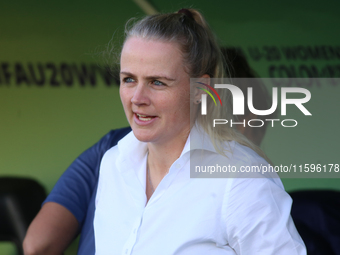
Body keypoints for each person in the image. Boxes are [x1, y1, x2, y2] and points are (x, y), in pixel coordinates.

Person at [24, 9, 305, 255]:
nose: (137, 97)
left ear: (200, 90)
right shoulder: (113, 162)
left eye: (157, 82)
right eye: (129, 79)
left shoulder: (240, 179)